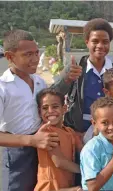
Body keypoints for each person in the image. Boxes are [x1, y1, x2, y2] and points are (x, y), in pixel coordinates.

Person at [0, 29, 59, 191]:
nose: (35, 59)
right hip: (17, 152)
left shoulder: (39, 81)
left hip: (41, 147)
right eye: (27, 55)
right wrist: (31, 140)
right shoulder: (3, 87)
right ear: (10, 57)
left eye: (36, 53)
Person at [52, 18, 113, 133]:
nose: (100, 46)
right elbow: (54, 94)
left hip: (108, 132)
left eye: (105, 42)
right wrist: (66, 80)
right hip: (78, 132)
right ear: (87, 42)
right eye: (95, 41)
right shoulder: (74, 69)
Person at [34, 88, 83, 191]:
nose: (50, 111)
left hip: (67, 184)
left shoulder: (69, 131)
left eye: (55, 106)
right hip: (49, 187)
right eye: (45, 108)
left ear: (64, 108)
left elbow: (83, 150)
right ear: (39, 112)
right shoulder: (46, 132)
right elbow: (59, 162)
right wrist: (85, 170)